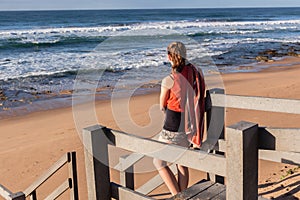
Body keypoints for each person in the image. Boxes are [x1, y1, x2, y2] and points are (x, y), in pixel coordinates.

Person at [153, 41, 206, 196]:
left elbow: (162, 105)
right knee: (181, 161)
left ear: (169, 56)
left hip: (173, 125)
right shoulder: (193, 72)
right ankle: (184, 194)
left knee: (158, 162)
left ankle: (178, 196)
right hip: (188, 125)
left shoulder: (169, 80)